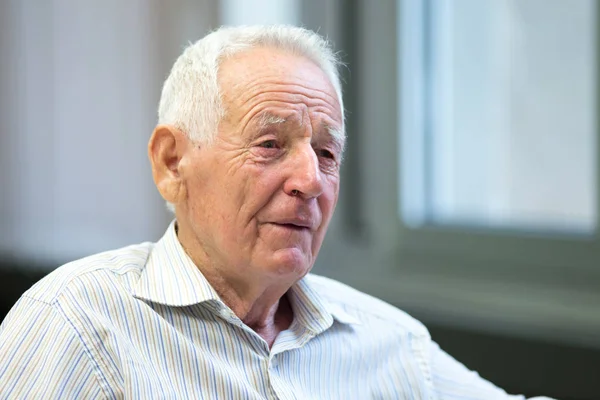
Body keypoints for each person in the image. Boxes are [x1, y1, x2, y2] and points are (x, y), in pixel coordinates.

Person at [0, 25, 554, 399]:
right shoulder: (77, 324)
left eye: (327, 153)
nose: (311, 179)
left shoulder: (388, 345)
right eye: (269, 144)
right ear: (173, 163)